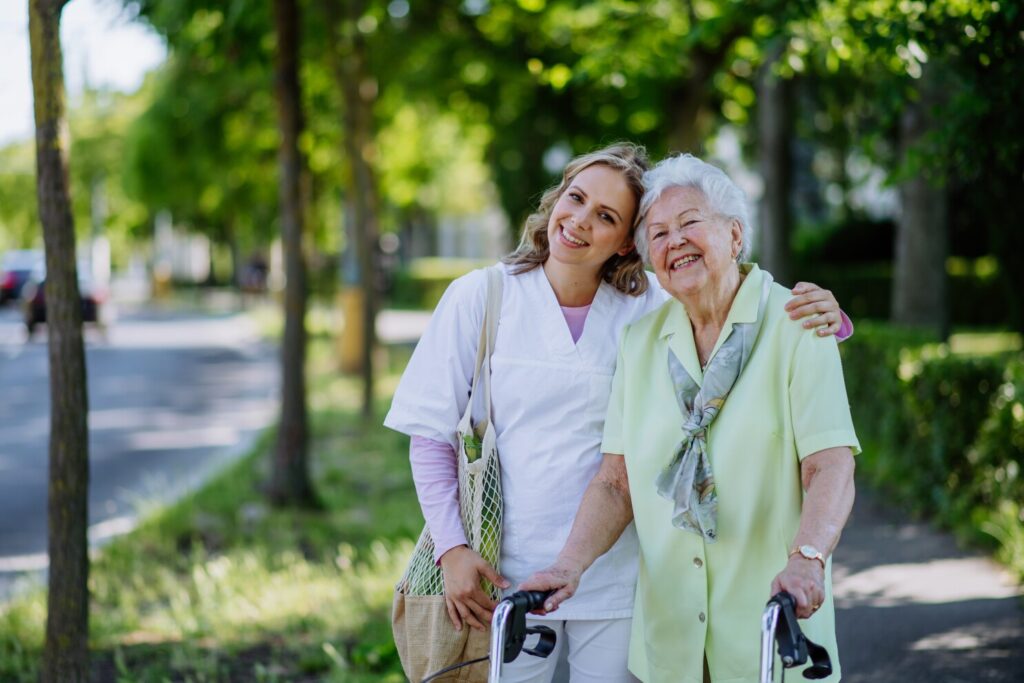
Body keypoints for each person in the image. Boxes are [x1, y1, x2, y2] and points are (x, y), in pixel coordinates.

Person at [385, 143, 852, 682]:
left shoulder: (648, 306)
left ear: (626, 242)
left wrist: (831, 320)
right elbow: (433, 434)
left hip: (623, 580)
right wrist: (451, 549)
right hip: (510, 575)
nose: (580, 221)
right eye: (576, 198)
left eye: (606, 216)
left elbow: (738, 302)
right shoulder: (494, 298)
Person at [521, 153, 859, 683]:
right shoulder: (642, 342)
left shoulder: (797, 324)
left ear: (735, 235)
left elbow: (830, 465)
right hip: (669, 646)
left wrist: (808, 558)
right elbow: (616, 483)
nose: (673, 240)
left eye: (690, 223)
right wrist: (568, 566)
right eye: (657, 233)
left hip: (772, 629)